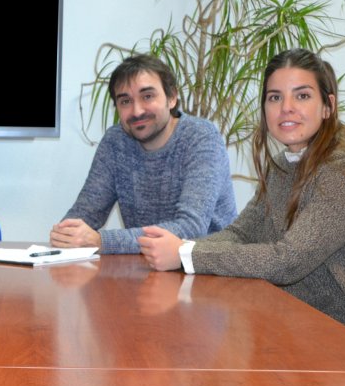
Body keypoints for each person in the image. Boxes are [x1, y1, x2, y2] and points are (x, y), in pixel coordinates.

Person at [137, 48, 345, 366]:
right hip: (329, 340)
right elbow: (243, 233)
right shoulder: (286, 163)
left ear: (328, 105)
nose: (287, 109)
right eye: (275, 98)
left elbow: (288, 261)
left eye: (303, 95)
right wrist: (182, 251)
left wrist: (187, 254)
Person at [51, 54, 237, 253]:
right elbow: (83, 215)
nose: (137, 111)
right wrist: (67, 234)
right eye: (125, 101)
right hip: (145, 266)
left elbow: (191, 228)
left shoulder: (201, 137)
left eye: (147, 96)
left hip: (209, 269)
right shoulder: (116, 142)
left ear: (171, 97)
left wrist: (102, 241)